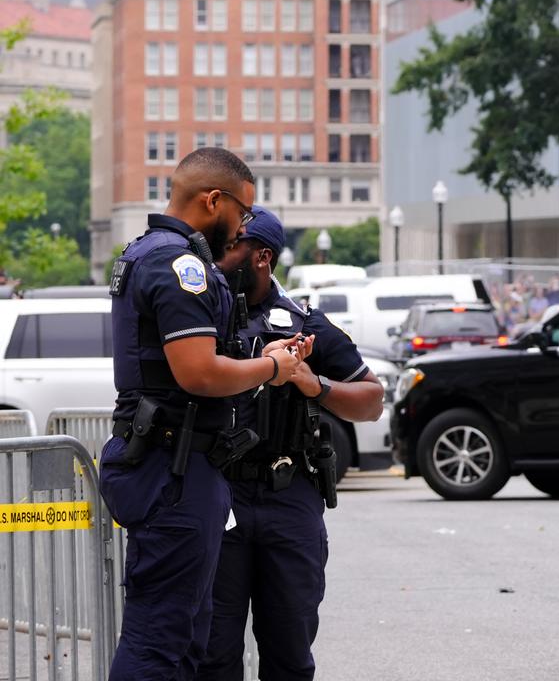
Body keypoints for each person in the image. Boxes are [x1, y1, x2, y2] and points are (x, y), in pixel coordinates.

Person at [100, 149, 306, 681]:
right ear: (213, 200)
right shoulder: (180, 265)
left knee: (190, 633)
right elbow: (199, 373)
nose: (240, 231)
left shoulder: (150, 252)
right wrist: (270, 368)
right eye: (240, 215)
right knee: (160, 639)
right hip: (174, 468)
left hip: (177, 461)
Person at [199, 206, 384, 681]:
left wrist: (313, 383)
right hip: (221, 497)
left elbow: (371, 399)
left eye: (230, 249)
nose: (218, 260)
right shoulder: (205, 322)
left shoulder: (305, 324)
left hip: (289, 497)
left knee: (290, 654)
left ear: (261, 257)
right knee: (213, 655)